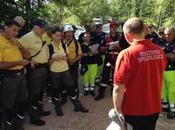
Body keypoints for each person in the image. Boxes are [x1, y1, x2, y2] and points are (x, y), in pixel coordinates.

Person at [113, 17, 167, 130]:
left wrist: (118, 111)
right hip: (154, 107)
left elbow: (118, 87)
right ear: (145, 30)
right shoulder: (159, 51)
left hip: (133, 110)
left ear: (127, 35)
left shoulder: (126, 54)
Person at [48, 27, 88, 116]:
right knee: (56, 90)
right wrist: (54, 58)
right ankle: (58, 108)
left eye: (60, 36)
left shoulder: (63, 45)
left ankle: (78, 105)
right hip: (55, 71)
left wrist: (64, 58)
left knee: (71, 87)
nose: (58, 37)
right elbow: (48, 62)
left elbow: (67, 57)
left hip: (65, 70)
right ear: (52, 36)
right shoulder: (49, 46)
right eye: (56, 36)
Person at [0, 20, 30, 130]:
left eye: (18, 31)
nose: (16, 33)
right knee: (9, 104)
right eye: (14, 30)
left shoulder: (16, 41)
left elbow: (27, 56)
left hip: (21, 76)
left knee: (21, 101)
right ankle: (8, 125)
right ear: (5, 28)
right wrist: (18, 62)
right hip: (9, 78)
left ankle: (19, 125)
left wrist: (20, 46)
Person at [19, 19, 50, 126]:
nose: (43, 29)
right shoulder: (27, 37)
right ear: (35, 27)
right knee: (34, 93)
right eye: (41, 27)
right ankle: (34, 117)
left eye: (43, 28)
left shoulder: (42, 36)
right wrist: (28, 61)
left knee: (40, 91)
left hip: (44, 68)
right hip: (35, 69)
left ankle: (39, 110)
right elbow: (18, 49)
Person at [94, 20, 122, 101]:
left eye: (115, 27)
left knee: (116, 75)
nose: (114, 28)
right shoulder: (105, 37)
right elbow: (100, 48)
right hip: (108, 59)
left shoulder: (121, 37)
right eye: (112, 27)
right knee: (105, 74)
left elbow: (124, 47)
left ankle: (114, 92)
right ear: (110, 28)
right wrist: (108, 47)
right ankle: (101, 93)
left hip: (118, 58)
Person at [62, 24, 82, 104]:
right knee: (63, 82)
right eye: (68, 32)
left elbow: (80, 55)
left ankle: (75, 99)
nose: (69, 34)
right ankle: (64, 98)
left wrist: (73, 60)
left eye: (71, 32)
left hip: (73, 65)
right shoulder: (60, 42)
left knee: (74, 82)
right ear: (64, 33)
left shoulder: (76, 43)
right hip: (63, 66)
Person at [161, 27, 175, 119]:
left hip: (172, 70)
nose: (167, 36)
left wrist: (160, 53)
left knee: (172, 91)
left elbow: (173, 57)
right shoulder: (163, 43)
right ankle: (165, 107)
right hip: (163, 69)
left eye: (169, 34)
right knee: (163, 90)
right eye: (165, 34)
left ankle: (173, 110)